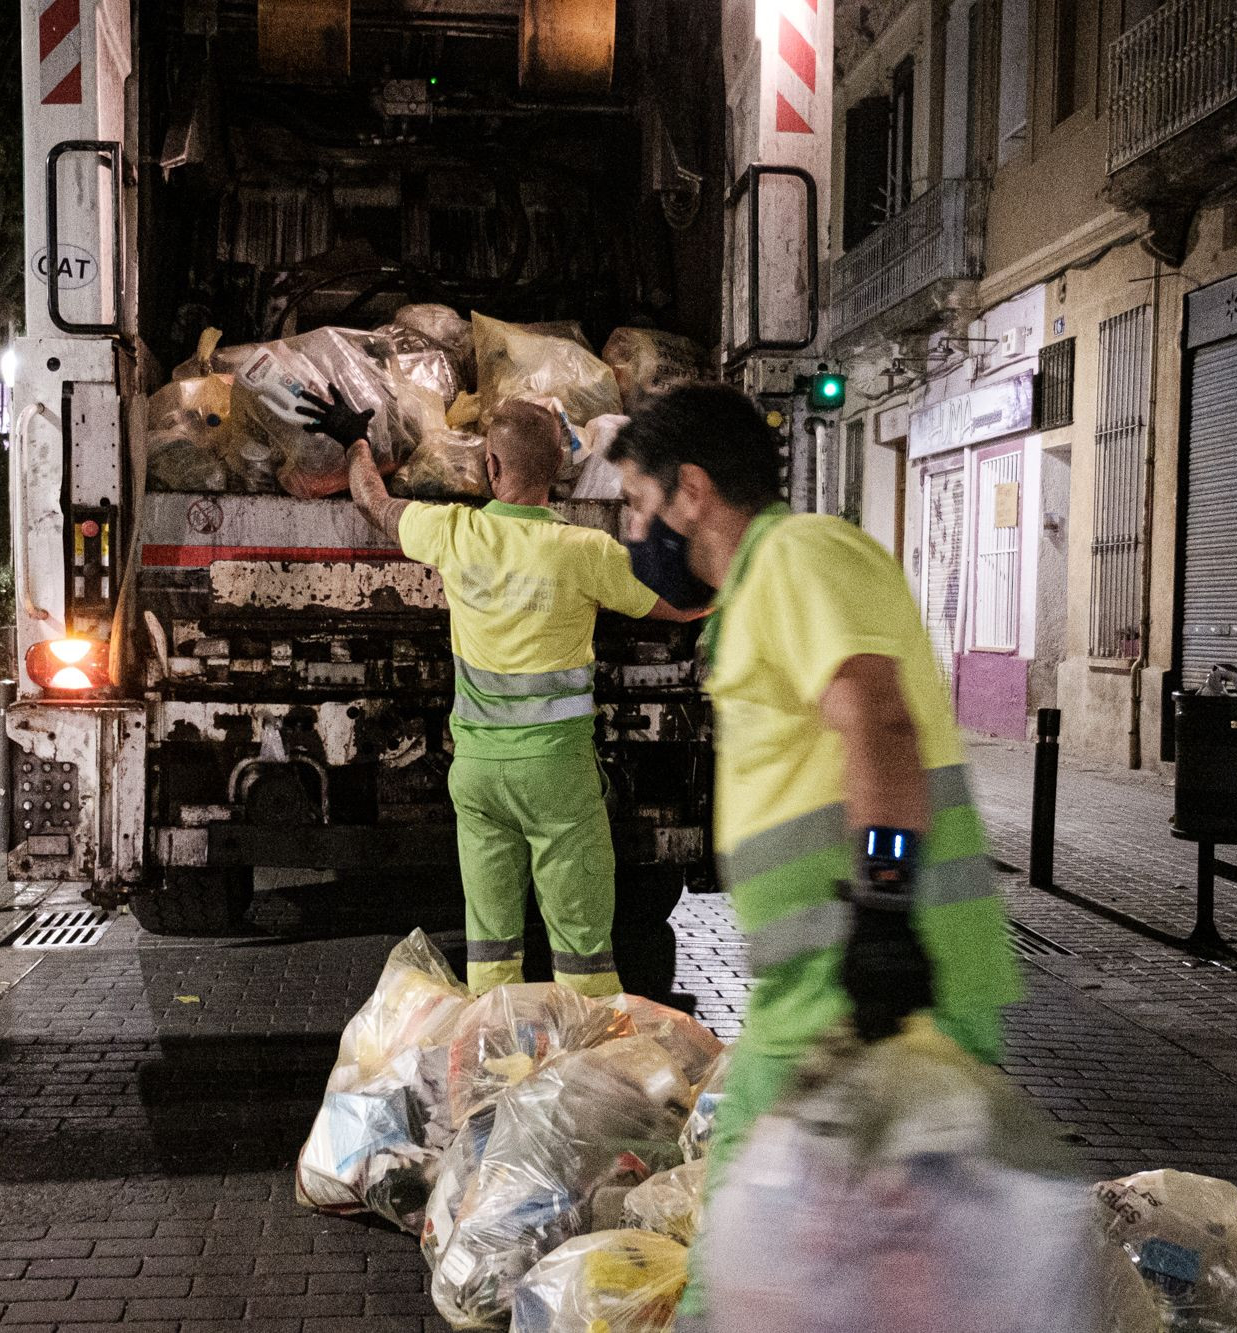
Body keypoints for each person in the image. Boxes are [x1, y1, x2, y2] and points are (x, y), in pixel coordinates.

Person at [605, 382, 1022, 1328]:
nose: (633, 531)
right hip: (825, 994)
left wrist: (882, 911)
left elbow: (876, 717)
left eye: (636, 502)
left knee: (751, 1279)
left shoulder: (798, 554)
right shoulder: (753, 592)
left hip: (873, 991)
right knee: (846, 1282)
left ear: (692, 491)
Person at [298, 388, 700, 997]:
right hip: (557, 777)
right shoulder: (584, 551)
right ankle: (582, 1075)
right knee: (583, 948)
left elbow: (373, 502)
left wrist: (355, 439)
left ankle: (494, 1061)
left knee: (490, 946)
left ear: (490, 467)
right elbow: (674, 606)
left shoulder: (455, 533)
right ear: (560, 471)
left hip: (479, 774)